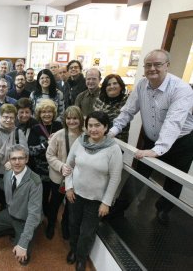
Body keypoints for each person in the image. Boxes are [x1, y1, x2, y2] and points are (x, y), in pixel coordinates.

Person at [109, 49, 193, 224]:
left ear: (167, 66)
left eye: (157, 64)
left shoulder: (181, 89)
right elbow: (128, 111)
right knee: (138, 175)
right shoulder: (141, 85)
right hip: (151, 139)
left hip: (181, 143)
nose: (152, 68)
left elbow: (174, 122)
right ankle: (118, 209)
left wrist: (158, 150)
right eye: (148, 65)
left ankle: (163, 210)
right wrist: (113, 130)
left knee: (174, 180)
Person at [65, 111, 123, 271]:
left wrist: (106, 202)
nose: (93, 129)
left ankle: (81, 257)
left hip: (96, 200)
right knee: (74, 225)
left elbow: (115, 177)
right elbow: (68, 165)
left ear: (105, 127)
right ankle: (73, 250)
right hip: (75, 195)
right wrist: (68, 187)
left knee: (87, 231)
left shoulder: (113, 149)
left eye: (97, 125)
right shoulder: (80, 141)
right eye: (90, 125)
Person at [0, 144, 42, 266]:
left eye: (21, 158)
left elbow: (34, 215)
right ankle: (13, 231)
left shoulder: (35, 181)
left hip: (25, 220)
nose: (17, 162)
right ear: (9, 160)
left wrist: (23, 244)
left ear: (27, 159)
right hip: (11, 213)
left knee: (22, 259)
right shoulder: (9, 172)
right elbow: (6, 187)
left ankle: (25, 234)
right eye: (13, 159)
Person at [46, 106, 84, 240]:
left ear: (80, 119)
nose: (72, 121)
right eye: (68, 118)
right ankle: (51, 224)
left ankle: (65, 224)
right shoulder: (58, 135)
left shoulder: (86, 136)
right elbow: (50, 155)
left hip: (77, 179)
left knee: (71, 205)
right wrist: (61, 166)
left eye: (75, 118)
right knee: (54, 203)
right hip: (58, 177)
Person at [29, 99, 62, 228]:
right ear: (39, 114)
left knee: (55, 199)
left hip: (56, 169)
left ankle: (52, 222)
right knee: (42, 197)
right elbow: (31, 151)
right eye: (43, 112)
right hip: (41, 170)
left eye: (49, 111)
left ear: (54, 113)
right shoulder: (35, 128)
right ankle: (42, 218)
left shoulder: (59, 126)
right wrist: (46, 143)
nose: (47, 114)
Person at [0, 104, 27, 210]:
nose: (8, 120)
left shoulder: (18, 133)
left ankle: (3, 209)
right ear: (0, 117)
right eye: (5, 117)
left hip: (9, 170)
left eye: (11, 117)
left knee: (5, 193)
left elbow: (25, 152)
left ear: (15, 118)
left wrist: (13, 162)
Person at [93, 74, 129, 142]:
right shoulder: (99, 100)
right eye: (108, 84)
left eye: (115, 83)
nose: (112, 86)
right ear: (105, 88)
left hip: (119, 141)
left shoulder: (127, 101)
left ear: (121, 86)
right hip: (99, 140)